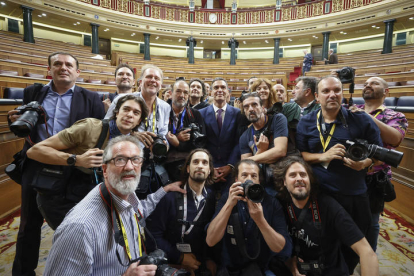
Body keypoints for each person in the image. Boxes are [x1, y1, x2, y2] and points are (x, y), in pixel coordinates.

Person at [7, 52, 105, 276]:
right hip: (36, 164)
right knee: (28, 224)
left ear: (77, 72)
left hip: (75, 170)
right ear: (48, 69)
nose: (63, 68)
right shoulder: (33, 92)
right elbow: (23, 121)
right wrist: (13, 119)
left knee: (74, 225)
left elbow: (99, 136)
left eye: (69, 65)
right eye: (57, 64)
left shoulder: (91, 98)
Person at [43, 135, 186, 275]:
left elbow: (141, 209)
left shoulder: (127, 195)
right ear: (104, 170)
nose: (129, 167)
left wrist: (164, 190)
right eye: (120, 160)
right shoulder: (80, 227)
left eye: (135, 159)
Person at [295, 75, 382, 274]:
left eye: (336, 90)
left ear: (343, 93)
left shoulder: (360, 120)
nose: (332, 95)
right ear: (317, 97)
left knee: (354, 245)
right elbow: (301, 155)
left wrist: (364, 164)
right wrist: (323, 156)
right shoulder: (307, 122)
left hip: (354, 194)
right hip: (320, 195)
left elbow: (379, 155)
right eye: (326, 91)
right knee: (324, 242)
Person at [26, 95, 148, 229]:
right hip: (61, 194)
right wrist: (77, 160)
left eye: (136, 113)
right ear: (117, 112)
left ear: (139, 121)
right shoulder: (89, 127)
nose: (130, 115)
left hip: (90, 193)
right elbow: (35, 151)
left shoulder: (129, 141)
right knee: (72, 238)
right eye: (126, 109)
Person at [273, 156, 379, 276]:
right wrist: (288, 262)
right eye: (293, 175)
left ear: (310, 180)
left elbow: (367, 252)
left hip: (328, 270)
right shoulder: (279, 203)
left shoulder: (328, 206)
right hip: (295, 268)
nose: (299, 179)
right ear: (284, 182)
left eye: (303, 175)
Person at [349, 77, 407, 252]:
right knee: (346, 218)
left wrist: (365, 116)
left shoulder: (395, 115)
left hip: (374, 179)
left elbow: (395, 138)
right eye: (366, 83)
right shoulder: (352, 110)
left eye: (374, 83)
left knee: (371, 222)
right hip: (348, 174)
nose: (368, 85)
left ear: (386, 92)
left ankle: (368, 258)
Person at [206, 159, 292, 275]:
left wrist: (260, 220)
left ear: (259, 181)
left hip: (262, 268)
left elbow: (280, 247)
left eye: (254, 176)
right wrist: (229, 205)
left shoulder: (271, 203)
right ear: (236, 180)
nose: (249, 180)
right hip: (231, 268)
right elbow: (211, 241)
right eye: (244, 175)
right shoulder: (227, 198)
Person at [146, 149, 217, 275]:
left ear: (210, 170)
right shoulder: (170, 198)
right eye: (196, 162)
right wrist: (180, 257)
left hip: (199, 264)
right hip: (171, 265)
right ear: (188, 168)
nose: (200, 165)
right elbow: (153, 236)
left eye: (204, 163)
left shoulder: (211, 198)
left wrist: (209, 259)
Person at [105, 64, 171, 197]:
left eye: (156, 78)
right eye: (149, 77)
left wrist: (164, 144)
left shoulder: (165, 107)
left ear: (160, 85)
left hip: (148, 161)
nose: (153, 80)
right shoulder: (121, 99)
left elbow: (163, 133)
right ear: (140, 82)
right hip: (123, 158)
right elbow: (106, 125)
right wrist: (133, 133)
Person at [239, 93, 288, 194]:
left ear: (262, 108)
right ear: (244, 111)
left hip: (283, 175)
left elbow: (280, 151)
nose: (251, 109)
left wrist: (252, 159)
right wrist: (261, 151)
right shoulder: (244, 136)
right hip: (262, 180)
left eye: (254, 105)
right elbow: (245, 167)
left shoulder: (277, 119)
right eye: (246, 106)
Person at [199, 77, 242, 189]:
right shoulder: (200, 114)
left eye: (223, 87)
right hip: (208, 167)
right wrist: (209, 167)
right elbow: (200, 143)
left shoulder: (238, 113)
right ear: (210, 92)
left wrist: (230, 166)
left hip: (230, 167)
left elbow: (239, 142)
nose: (219, 90)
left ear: (228, 92)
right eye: (216, 87)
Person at [165, 79, 206, 181]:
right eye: (178, 91)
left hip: (187, 162)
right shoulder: (162, 111)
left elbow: (201, 143)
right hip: (165, 162)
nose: (182, 95)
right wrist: (177, 137)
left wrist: (178, 143)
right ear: (171, 93)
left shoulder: (195, 114)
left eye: (185, 92)